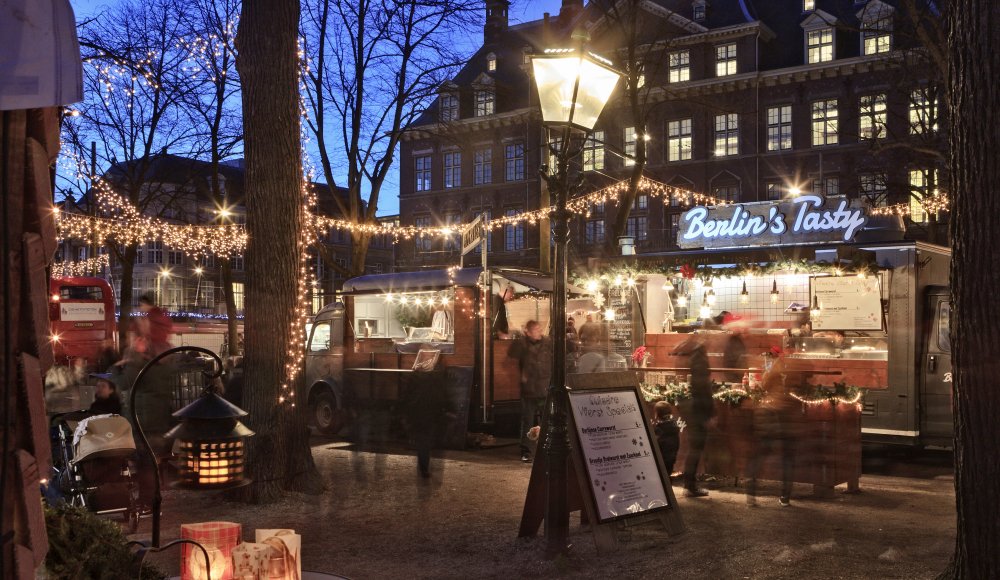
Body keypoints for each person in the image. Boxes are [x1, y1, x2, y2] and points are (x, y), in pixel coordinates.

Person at [746, 356, 799, 507]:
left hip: (768, 413)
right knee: (787, 459)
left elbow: (763, 386)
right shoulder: (789, 372)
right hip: (782, 416)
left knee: (760, 455)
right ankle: (785, 496)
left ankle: (751, 493)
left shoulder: (771, 372)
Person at [507, 320, 551, 463]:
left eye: (539, 329)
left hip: (544, 388)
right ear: (529, 332)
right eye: (535, 330)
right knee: (527, 421)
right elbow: (511, 355)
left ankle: (546, 448)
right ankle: (526, 451)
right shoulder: (522, 344)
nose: (539, 332)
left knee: (548, 420)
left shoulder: (547, 343)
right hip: (530, 389)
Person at [676, 336, 714, 497]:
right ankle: (689, 485)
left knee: (695, 448)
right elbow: (702, 389)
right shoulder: (700, 359)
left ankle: (689, 484)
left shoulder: (694, 356)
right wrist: (710, 413)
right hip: (698, 411)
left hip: (694, 409)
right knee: (695, 448)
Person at [652, 401, 681, 478]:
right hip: (671, 459)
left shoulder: (659, 430)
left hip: (661, 462)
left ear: (657, 414)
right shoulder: (674, 427)